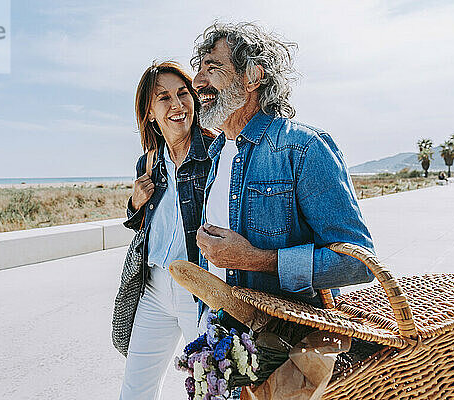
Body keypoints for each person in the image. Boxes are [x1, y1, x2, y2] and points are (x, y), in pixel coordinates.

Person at [190, 22, 376, 318]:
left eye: (211, 68)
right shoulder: (218, 152)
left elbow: (359, 262)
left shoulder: (304, 147)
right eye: (199, 70)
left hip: (286, 346)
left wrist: (256, 260)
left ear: (252, 77)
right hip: (222, 337)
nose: (197, 82)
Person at [119, 61, 215, 400]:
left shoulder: (214, 153)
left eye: (182, 93)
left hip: (198, 291)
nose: (177, 105)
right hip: (155, 289)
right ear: (149, 113)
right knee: (135, 389)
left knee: (210, 390)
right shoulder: (149, 162)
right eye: (164, 98)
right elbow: (142, 226)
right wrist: (134, 204)